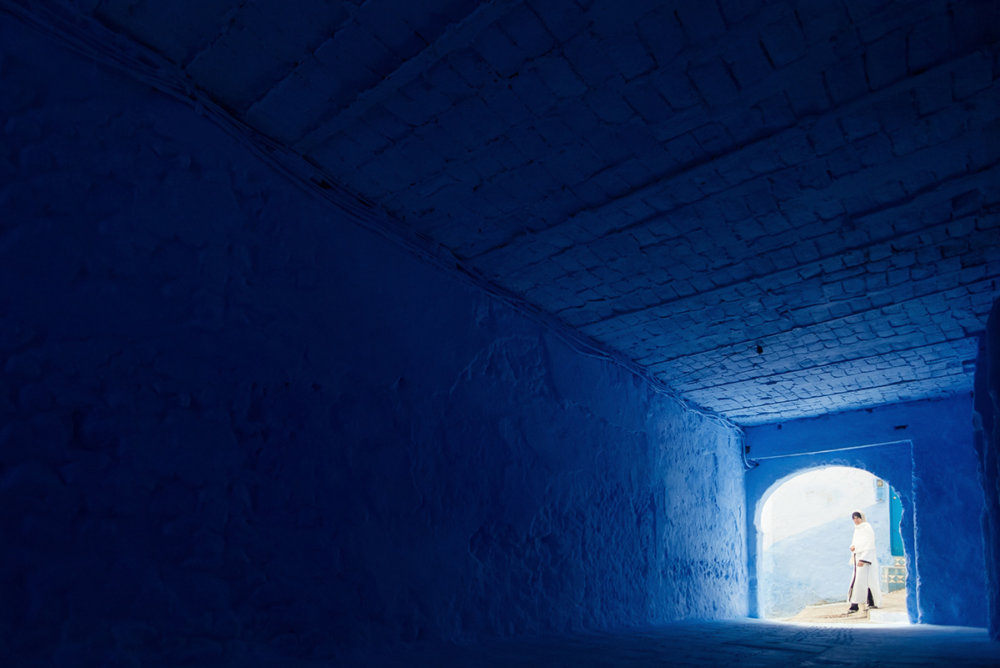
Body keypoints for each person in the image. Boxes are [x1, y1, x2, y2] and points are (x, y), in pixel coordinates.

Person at [847, 511, 882, 613]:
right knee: (860, 581)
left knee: (865, 581)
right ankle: (864, 602)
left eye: (857, 518)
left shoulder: (866, 528)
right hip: (858, 558)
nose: (856, 520)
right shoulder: (857, 529)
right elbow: (856, 542)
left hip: (866, 560)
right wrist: (852, 547)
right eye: (854, 518)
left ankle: (858, 604)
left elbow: (869, 544)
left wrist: (864, 558)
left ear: (862, 518)